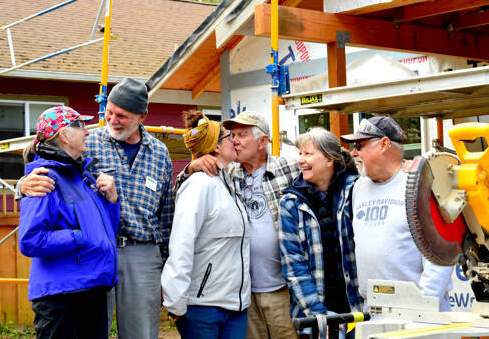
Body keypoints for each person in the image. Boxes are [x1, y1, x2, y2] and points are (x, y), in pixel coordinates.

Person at [19, 78, 175, 338]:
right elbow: (46, 165)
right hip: (93, 255)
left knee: (141, 333)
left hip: (143, 254)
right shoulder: (87, 143)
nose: (112, 120)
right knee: (92, 328)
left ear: (142, 117)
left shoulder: (160, 153)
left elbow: (166, 212)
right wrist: (22, 186)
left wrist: (166, 263)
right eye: (109, 112)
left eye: (121, 116)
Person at [177, 111, 300, 339]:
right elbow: (182, 190)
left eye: (242, 135)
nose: (234, 141)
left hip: (283, 289)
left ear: (262, 141)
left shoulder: (289, 168)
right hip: (244, 295)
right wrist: (191, 167)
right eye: (231, 135)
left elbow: (326, 170)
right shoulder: (227, 172)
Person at [18, 106, 120, 339]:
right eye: (81, 126)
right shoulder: (44, 178)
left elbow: (107, 232)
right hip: (61, 298)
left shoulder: (82, 177)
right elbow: (30, 240)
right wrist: (80, 237)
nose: (87, 132)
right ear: (64, 135)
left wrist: (112, 201)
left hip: (91, 289)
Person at [341, 116, 453, 311]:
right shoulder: (358, 187)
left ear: (384, 144)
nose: (354, 153)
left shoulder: (419, 185)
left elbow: (439, 256)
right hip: (374, 309)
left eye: (360, 145)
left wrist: (423, 306)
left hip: (419, 311)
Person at [161, 110, 250, 339]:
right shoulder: (199, 185)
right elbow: (181, 244)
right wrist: (176, 303)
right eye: (229, 137)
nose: (235, 141)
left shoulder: (228, 181)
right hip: (203, 307)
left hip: (236, 306)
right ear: (217, 147)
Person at [278, 127, 363, 337]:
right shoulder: (290, 202)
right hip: (316, 315)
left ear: (329, 159)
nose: (300, 160)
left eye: (308, 154)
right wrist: (319, 315)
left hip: (360, 310)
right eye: (300, 154)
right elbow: (293, 265)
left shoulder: (357, 190)